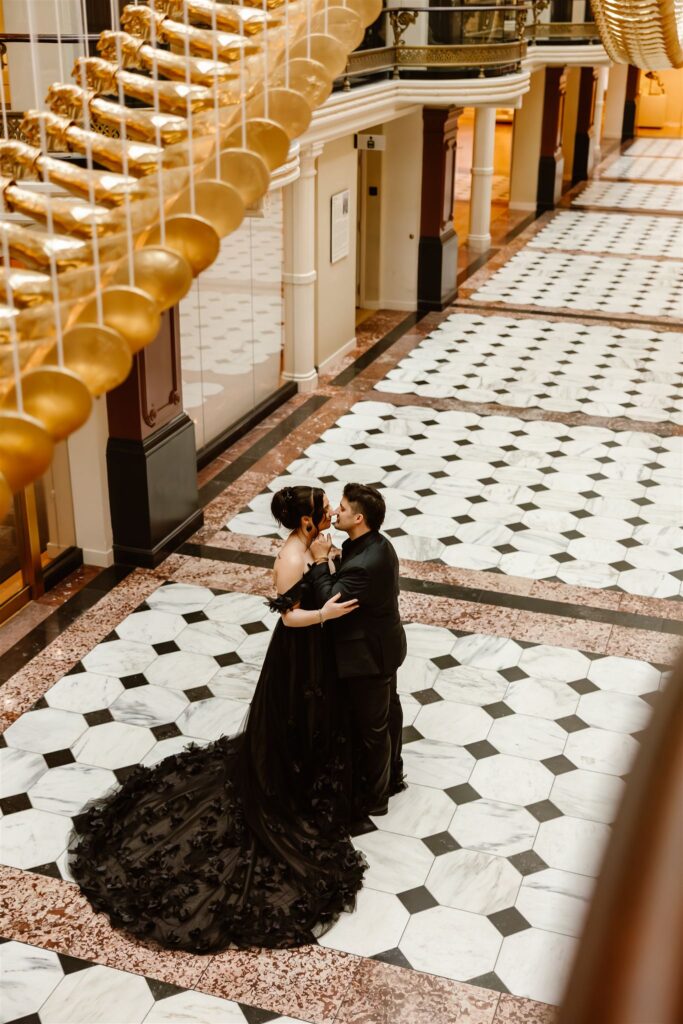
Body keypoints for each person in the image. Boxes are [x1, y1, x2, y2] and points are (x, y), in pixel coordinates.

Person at [69, 486, 366, 953]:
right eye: (324, 510)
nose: (330, 513)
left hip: (320, 649)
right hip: (299, 651)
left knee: (319, 718)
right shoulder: (289, 557)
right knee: (295, 716)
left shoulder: (313, 543)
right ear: (305, 521)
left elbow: (324, 579)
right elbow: (290, 619)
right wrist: (325, 610)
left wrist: (327, 562)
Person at [306, 483, 407, 818]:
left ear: (359, 517)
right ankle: (392, 773)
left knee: (374, 728)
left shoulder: (365, 562)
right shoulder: (374, 543)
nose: (336, 511)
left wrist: (321, 561)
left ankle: (377, 799)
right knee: (388, 712)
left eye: (344, 508)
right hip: (385, 644)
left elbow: (329, 599)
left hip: (368, 656)